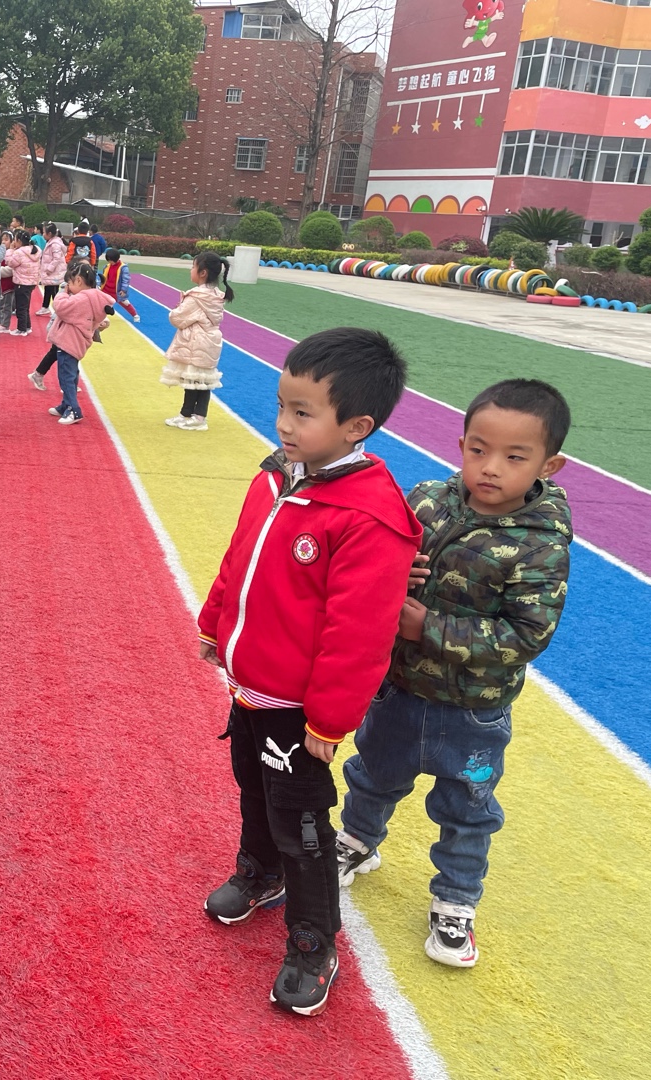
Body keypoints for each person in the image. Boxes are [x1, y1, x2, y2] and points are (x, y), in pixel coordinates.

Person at [198, 328, 422, 1017]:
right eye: (282, 406)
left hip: (299, 708)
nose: (284, 424)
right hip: (251, 687)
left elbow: (360, 633)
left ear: (357, 427)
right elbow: (241, 558)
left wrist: (328, 720)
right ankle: (259, 872)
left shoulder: (367, 514)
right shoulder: (277, 477)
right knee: (252, 786)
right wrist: (214, 622)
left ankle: (313, 939)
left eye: (303, 413)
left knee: (300, 820)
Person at [336, 380, 571, 969]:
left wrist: (428, 627)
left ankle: (456, 900)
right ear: (462, 444)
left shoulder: (541, 547)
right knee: (373, 774)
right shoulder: (426, 501)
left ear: (549, 466)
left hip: (473, 712)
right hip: (398, 689)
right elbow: (378, 558)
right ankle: (357, 842)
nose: (491, 467)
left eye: (514, 457)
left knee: (467, 809)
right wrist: (396, 572)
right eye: (479, 450)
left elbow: (527, 637)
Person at [160, 251, 233, 432]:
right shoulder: (216, 295)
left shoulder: (197, 297)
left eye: (193, 267)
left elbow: (177, 318)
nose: (190, 270)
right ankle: (189, 414)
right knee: (200, 381)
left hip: (196, 343)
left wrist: (178, 308)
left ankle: (197, 417)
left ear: (203, 273)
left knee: (194, 382)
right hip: (209, 341)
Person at [44, 262, 111, 426]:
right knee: (71, 374)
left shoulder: (82, 298)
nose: (69, 286)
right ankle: (66, 404)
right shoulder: (94, 297)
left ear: (79, 281)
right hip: (76, 342)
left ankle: (73, 410)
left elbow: (60, 307)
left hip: (69, 342)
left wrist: (63, 293)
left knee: (66, 376)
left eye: (70, 283)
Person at [5, 229, 41, 336]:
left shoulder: (19, 252)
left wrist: (10, 250)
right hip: (31, 282)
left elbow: (10, 263)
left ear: (19, 241)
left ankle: (21, 329)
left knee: (21, 307)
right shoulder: (35, 250)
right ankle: (27, 326)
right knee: (25, 306)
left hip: (21, 282)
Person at [100, 247, 139, 322]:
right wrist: (100, 285)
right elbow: (103, 277)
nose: (110, 262)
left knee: (125, 303)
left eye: (111, 260)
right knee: (101, 303)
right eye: (108, 260)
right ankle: (100, 316)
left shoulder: (123, 268)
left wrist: (123, 290)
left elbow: (126, 280)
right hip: (106, 289)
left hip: (117, 290)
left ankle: (135, 315)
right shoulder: (107, 266)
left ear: (116, 259)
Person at [37, 224, 67, 314]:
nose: (43, 234)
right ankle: (45, 306)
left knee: (54, 292)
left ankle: (59, 310)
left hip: (54, 272)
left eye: (44, 232)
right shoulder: (50, 242)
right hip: (51, 273)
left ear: (49, 233)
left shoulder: (55, 244)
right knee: (48, 288)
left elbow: (57, 258)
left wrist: (49, 269)